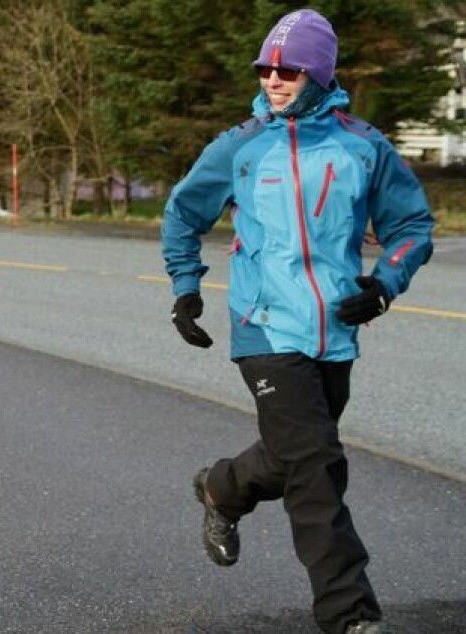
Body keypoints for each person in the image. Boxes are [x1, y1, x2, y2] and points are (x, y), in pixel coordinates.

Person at [161, 9, 433, 634]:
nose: (273, 80)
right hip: (263, 326)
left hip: (334, 330)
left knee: (294, 457)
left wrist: (384, 285)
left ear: (318, 74)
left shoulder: (365, 146)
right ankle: (350, 616)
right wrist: (186, 287)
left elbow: (411, 227)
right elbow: (183, 214)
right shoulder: (242, 144)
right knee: (317, 466)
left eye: (287, 70)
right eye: (265, 69)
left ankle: (221, 489)